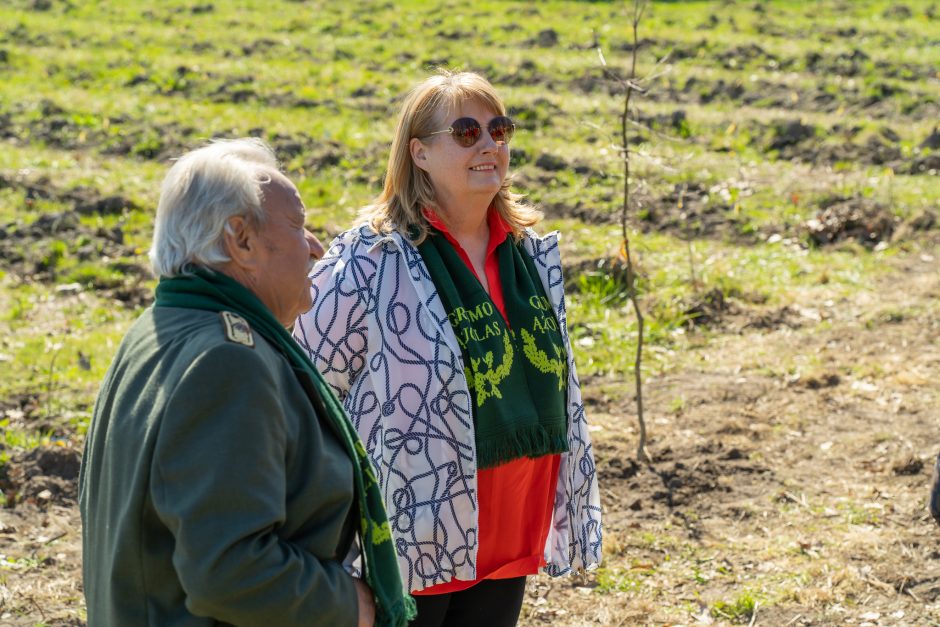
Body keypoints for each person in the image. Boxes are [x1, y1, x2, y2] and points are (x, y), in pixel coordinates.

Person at [293, 71, 602, 627]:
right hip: (417, 525)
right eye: (465, 132)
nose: (489, 144)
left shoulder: (529, 254)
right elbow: (306, 374)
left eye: (499, 129)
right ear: (420, 153)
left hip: (511, 519)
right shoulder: (372, 259)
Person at [78, 138, 414, 627]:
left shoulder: (157, 329)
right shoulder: (229, 363)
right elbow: (229, 569)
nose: (317, 246)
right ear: (241, 240)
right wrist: (347, 603)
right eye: (299, 226)